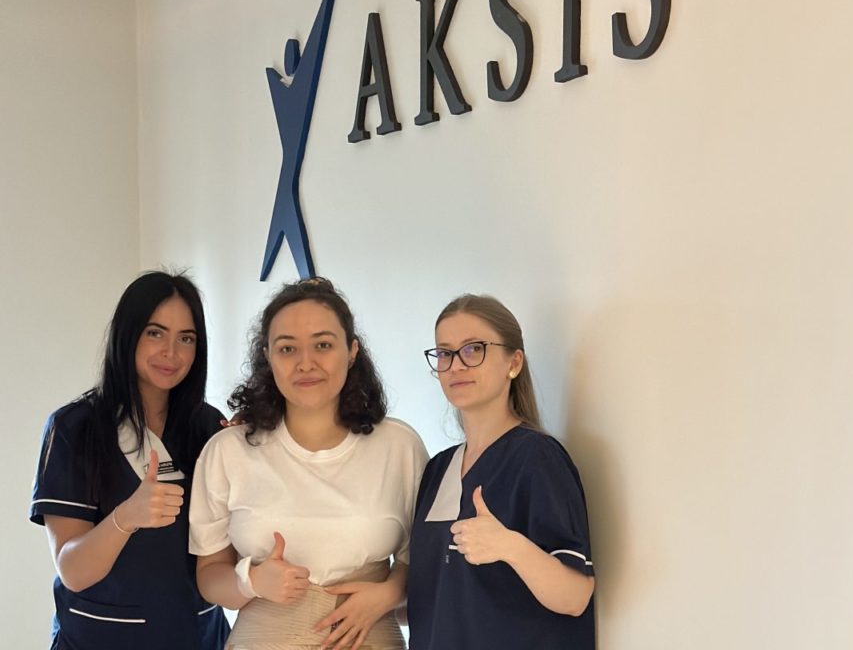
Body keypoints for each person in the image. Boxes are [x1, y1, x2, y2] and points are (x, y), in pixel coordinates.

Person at [190, 277, 427, 650]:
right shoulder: (227, 451)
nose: (306, 363)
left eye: (323, 345)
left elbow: (424, 562)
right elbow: (208, 575)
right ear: (268, 356)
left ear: (352, 351)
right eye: (287, 349)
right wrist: (251, 581)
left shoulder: (399, 446)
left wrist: (390, 593)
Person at [29, 271, 230, 650]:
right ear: (128, 334)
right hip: (100, 638)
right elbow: (73, 570)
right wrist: (125, 518)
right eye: (155, 333)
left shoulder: (209, 427)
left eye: (186, 338)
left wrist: (256, 450)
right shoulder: (75, 428)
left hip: (198, 636)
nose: (171, 352)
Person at [407, 294, 596, 650]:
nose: (456, 366)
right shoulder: (437, 469)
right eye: (445, 353)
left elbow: (575, 597)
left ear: (514, 362)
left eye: (473, 349)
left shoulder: (536, 458)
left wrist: (510, 546)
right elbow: (438, 596)